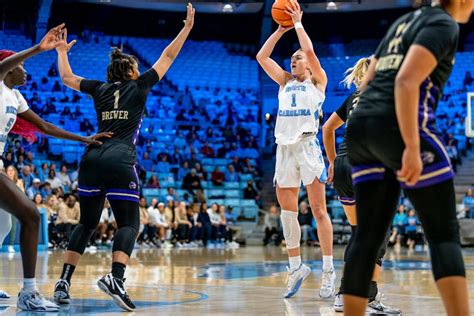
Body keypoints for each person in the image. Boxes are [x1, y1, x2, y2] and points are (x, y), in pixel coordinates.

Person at [53, 5, 195, 311]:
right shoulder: (140, 85)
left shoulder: (99, 88)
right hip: (120, 158)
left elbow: (66, 77)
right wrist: (185, 29)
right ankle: (116, 278)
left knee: (87, 223)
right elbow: (167, 57)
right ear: (131, 71)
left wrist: (62, 51)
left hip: (91, 158)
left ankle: (64, 280)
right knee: (129, 223)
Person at [342, 1, 472, 315]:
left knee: (367, 236)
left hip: (359, 128)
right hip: (396, 125)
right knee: (443, 236)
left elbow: (369, 78)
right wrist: (411, 148)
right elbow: (404, 81)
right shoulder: (444, 24)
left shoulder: (401, 23)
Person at [0, 24, 110, 312]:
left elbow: (45, 126)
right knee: (32, 216)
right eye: (21, 66)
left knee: (3, 223)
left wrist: (83, 138)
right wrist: (38, 48)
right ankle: (28, 292)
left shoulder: (15, 96)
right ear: (10, 69)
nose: (26, 71)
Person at [256, 0, 335, 298]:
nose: (294, 60)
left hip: (307, 147)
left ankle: (328, 270)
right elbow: (261, 56)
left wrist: (298, 24)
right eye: (292, 57)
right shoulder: (284, 82)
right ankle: (295, 267)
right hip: (283, 149)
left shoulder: (318, 82)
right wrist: (279, 30)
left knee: (318, 210)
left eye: (298, 58)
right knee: (287, 214)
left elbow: (311, 52)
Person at [322, 57, 400, 313]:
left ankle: (346, 295)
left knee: (360, 234)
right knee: (379, 235)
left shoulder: (354, 97)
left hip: (344, 165)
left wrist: (333, 163)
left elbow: (327, 128)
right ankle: (365, 297)